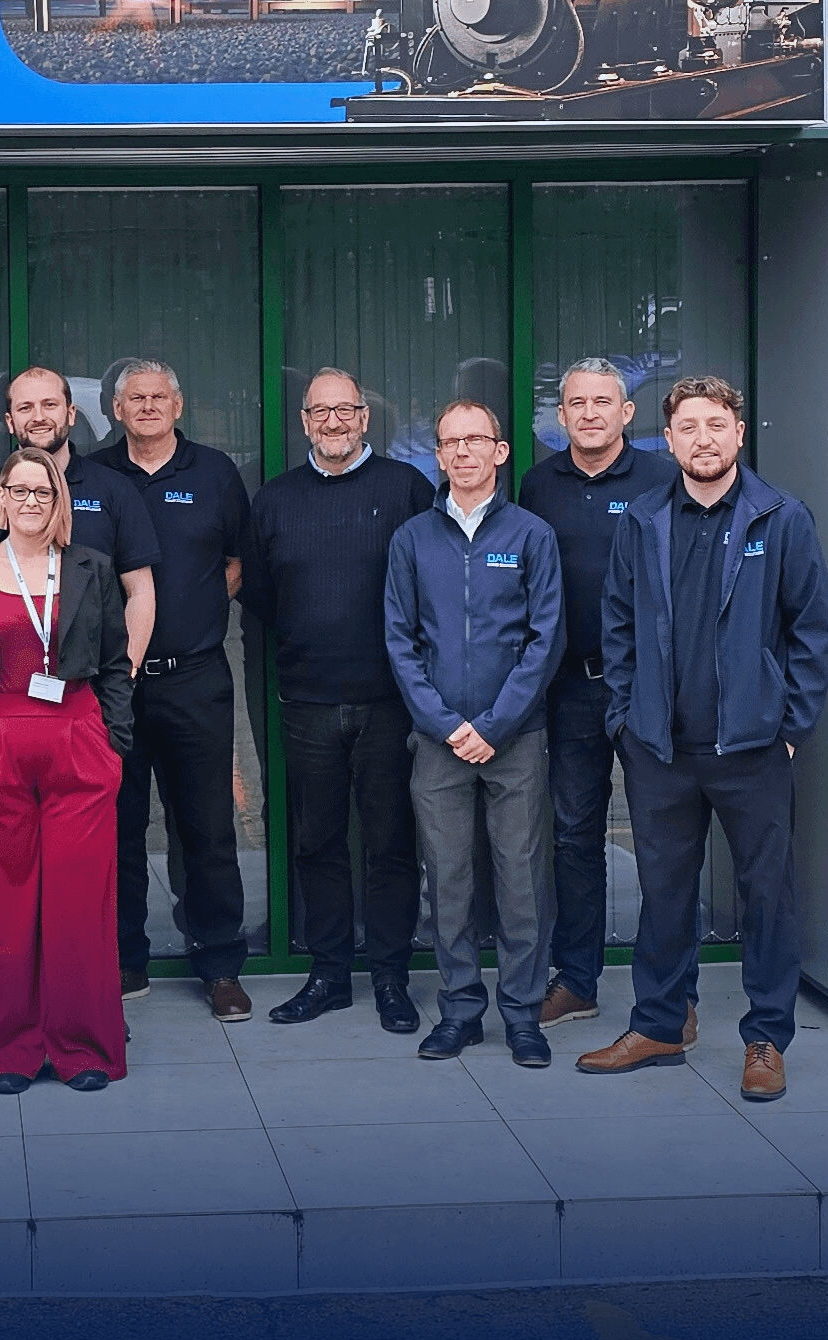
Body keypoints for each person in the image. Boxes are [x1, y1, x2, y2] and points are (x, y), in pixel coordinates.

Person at [579, 377, 828, 1104]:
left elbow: (811, 632)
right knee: (663, 895)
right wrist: (624, 720)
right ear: (668, 439)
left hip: (752, 751)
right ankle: (660, 1023)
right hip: (661, 750)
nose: (702, 438)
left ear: (739, 433)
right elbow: (617, 624)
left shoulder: (780, 518)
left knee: (766, 897)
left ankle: (765, 1038)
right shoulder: (644, 518)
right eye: (687, 426)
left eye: (715, 424)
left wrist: (789, 730)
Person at [241, 369, 436, 1030]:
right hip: (307, 702)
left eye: (344, 411)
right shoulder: (274, 501)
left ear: (363, 418)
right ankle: (328, 975)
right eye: (319, 412)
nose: (332, 422)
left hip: (390, 702)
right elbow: (264, 597)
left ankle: (389, 977)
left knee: (390, 844)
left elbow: (430, 588)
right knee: (316, 842)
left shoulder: (407, 489)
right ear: (303, 422)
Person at [0, 446, 136, 1092]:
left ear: (59, 502)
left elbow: (113, 663)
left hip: (77, 737)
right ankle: (8, 1050)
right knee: (1, 906)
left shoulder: (91, 568)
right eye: (18, 491)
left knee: (79, 903)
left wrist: (113, 741)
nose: (29, 502)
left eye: (41, 492)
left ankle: (81, 1048)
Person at [385, 400, 564, 1067]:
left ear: (500, 451)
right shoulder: (412, 539)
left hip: (515, 739)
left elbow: (546, 640)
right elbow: (399, 641)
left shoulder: (531, 535)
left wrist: (494, 724)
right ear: (438, 455)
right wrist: (446, 724)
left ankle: (523, 1016)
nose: (462, 452)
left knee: (522, 880)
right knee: (449, 879)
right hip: (438, 742)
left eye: (475, 440)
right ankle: (459, 1010)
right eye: (450, 442)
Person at [516, 360, 682, 1035]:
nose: (588, 413)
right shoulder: (537, 484)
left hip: (647, 690)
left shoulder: (662, 479)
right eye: (576, 403)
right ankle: (577, 980)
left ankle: (671, 991)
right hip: (570, 690)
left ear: (627, 413)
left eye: (602, 402)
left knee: (662, 842)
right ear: (561, 417)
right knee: (574, 836)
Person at [91, 358, 255, 1020]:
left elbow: (238, 562)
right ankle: (125, 956)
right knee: (118, 826)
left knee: (208, 827)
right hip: (115, 684)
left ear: (178, 406)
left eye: (160, 396)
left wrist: (191, 612)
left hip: (195, 678)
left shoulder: (215, 473)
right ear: (117, 409)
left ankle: (219, 963)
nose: (149, 406)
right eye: (136, 398)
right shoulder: (94, 477)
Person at [0, 365, 160, 669]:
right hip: (5, 691)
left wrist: (126, 675)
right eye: (25, 407)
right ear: (10, 421)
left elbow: (140, 591)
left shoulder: (115, 491)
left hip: (94, 691)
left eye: (50, 405)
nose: (38, 417)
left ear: (70, 413)